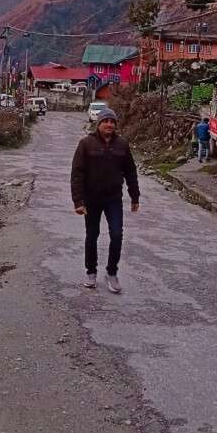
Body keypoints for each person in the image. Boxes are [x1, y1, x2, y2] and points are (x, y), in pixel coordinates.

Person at [71, 108, 140, 294]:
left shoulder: (122, 145)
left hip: (113, 199)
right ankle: (91, 272)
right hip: (91, 199)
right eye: (105, 121)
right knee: (92, 235)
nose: (109, 124)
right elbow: (77, 174)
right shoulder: (86, 144)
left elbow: (130, 172)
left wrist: (135, 196)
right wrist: (78, 201)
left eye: (112, 121)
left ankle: (111, 273)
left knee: (117, 234)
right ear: (99, 123)